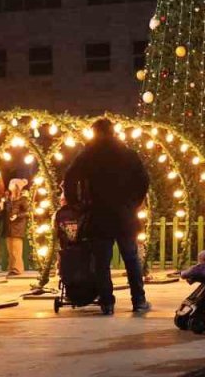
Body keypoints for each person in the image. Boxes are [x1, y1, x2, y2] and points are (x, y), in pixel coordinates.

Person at [62, 118, 152, 315]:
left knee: (102, 262)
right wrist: (133, 203)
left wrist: (75, 203)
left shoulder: (88, 154)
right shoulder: (127, 154)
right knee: (131, 258)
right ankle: (138, 300)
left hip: (98, 213)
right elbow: (144, 180)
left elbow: (70, 177)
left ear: (95, 133)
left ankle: (107, 303)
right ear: (113, 132)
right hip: (124, 214)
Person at [3, 178, 31, 276]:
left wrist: (17, 216)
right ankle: (12, 268)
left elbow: (28, 212)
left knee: (16, 249)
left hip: (17, 227)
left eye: (12, 184)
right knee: (10, 249)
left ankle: (17, 268)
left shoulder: (22, 199)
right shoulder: (8, 199)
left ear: (16, 186)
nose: (9, 185)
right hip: (8, 227)